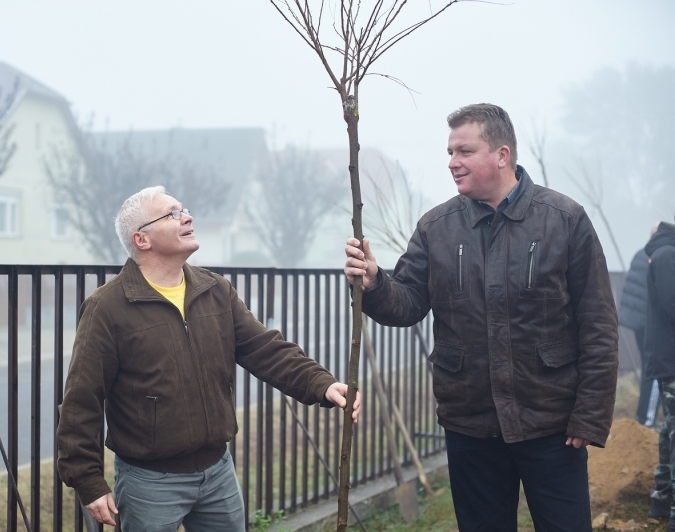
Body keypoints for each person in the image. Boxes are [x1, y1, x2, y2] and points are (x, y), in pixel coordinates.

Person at [344, 103, 618, 532]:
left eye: (464, 151)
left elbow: (598, 324)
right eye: (450, 152)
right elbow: (408, 303)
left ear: (502, 155)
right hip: (471, 426)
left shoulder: (564, 220)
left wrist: (590, 415)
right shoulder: (437, 228)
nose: (452, 163)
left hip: (552, 424)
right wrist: (376, 282)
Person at [57, 186, 361, 531]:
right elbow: (82, 399)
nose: (187, 217)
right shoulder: (108, 308)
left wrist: (322, 384)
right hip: (149, 483)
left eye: (183, 209)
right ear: (142, 240)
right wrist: (87, 481)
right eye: (172, 214)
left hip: (218, 472)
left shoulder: (215, 290)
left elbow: (265, 349)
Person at [644, 218, 675, 530]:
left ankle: (661, 502)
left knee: (670, 433)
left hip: (668, 359)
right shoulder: (667, 255)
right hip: (672, 360)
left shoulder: (665, 253)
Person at [619, 223, 661, 426]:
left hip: (636, 322)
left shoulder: (639, 253)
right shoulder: (659, 256)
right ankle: (647, 419)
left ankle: (645, 416)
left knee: (648, 368)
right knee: (654, 370)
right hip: (649, 322)